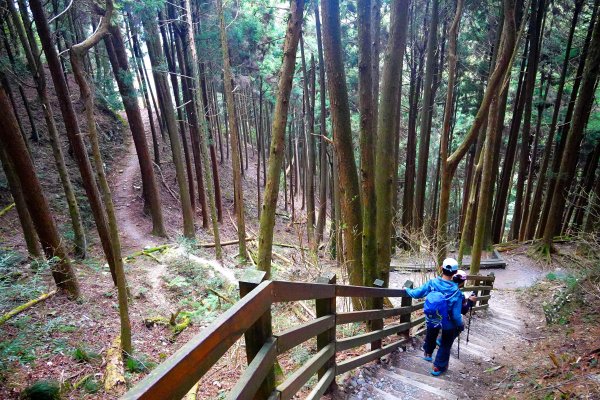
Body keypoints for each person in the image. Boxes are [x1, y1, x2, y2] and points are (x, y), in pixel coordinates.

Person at [405, 258, 464, 376]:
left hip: (433, 318)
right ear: (455, 272)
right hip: (448, 322)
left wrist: (407, 289)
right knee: (446, 343)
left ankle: (427, 354)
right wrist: (460, 325)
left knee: (431, 332)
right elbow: (457, 315)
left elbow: (416, 294)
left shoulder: (432, 283)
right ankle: (437, 367)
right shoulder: (456, 292)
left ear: (441, 268)